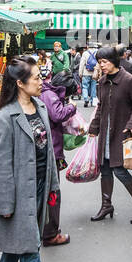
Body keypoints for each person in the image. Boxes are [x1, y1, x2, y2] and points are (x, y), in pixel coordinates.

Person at [0, 60, 61, 262]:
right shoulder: (5, 118)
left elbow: (48, 154)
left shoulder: (40, 106)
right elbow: (1, 167)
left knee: (20, 239)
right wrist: (5, 203)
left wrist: (53, 185)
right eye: (35, 78)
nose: (41, 81)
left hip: (40, 185)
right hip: (19, 192)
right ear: (19, 83)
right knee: (30, 245)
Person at [87, 45, 132, 223]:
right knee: (105, 170)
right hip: (106, 133)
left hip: (121, 133)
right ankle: (106, 205)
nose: (102, 65)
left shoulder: (129, 80)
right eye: (100, 62)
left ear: (114, 60)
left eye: (104, 62)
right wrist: (94, 128)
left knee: (119, 170)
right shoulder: (102, 81)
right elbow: (100, 106)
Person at [39, 72, 79, 247]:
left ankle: (45, 229)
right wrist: (71, 107)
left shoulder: (47, 93)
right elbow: (57, 115)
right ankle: (50, 234)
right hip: (50, 149)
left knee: (48, 191)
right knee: (53, 192)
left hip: (49, 148)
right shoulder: (50, 95)